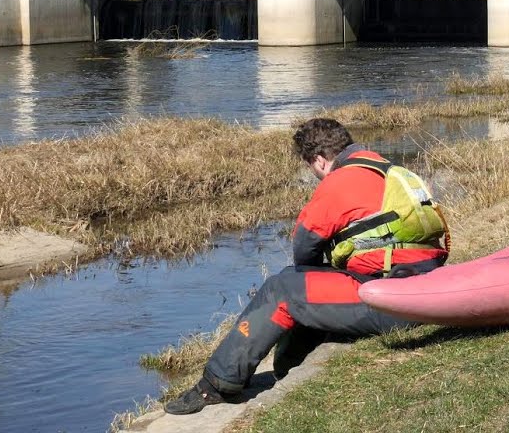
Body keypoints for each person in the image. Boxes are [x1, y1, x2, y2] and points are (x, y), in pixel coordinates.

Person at [164, 118, 449, 415]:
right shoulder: (392, 171)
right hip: (419, 288)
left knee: (282, 289)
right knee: (295, 281)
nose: (315, 175)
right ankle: (289, 368)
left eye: (311, 168)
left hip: (392, 304)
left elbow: (303, 249)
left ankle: (216, 385)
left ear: (319, 160)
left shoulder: (340, 179)